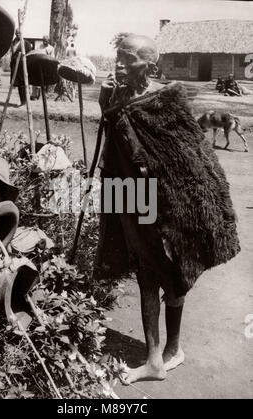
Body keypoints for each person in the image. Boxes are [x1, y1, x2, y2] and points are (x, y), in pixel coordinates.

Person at [94, 34, 240, 385]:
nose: (119, 64)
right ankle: (161, 356)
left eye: (128, 59)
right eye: (118, 57)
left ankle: (166, 354)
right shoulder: (115, 95)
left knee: (174, 273)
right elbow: (114, 140)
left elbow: (189, 154)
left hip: (166, 202)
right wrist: (106, 100)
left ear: (151, 65)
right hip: (130, 195)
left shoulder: (168, 98)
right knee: (146, 270)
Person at [10, 29, 32, 106]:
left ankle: (25, 101)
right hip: (14, 65)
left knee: (23, 84)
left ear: (22, 34)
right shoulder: (13, 42)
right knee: (18, 84)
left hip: (22, 66)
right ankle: (22, 101)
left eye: (19, 33)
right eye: (16, 34)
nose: (17, 35)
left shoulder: (26, 43)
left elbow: (29, 56)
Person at [31, 36, 55, 100]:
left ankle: (42, 95)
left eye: (46, 41)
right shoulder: (39, 46)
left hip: (46, 66)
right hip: (38, 65)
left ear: (48, 41)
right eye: (43, 40)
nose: (44, 42)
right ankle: (34, 95)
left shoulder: (51, 48)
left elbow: (52, 58)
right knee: (35, 80)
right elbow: (35, 53)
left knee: (44, 82)